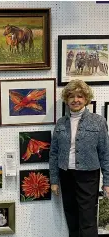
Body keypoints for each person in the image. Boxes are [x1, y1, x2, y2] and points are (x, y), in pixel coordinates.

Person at [49, 79, 109, 237]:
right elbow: (54, 153)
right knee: (71, 216)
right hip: (66, 173)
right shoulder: (61, 123)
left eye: (80, 96)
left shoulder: (98, 122)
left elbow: (105, 153)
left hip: (88, 175)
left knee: (87, 219)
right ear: (66, 100)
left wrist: (107, 182)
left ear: (86, 99)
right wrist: (54, 180)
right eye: (71, 96)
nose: (75, 100)